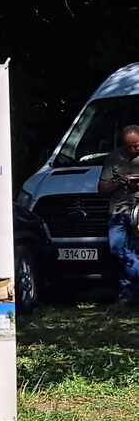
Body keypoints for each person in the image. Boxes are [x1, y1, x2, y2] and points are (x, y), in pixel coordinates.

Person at [98, 125, 139, 301]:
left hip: (138, 210)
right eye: (129, 146)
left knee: (135, 251)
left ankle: (127, 295)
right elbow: (101, 188)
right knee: (117, 249)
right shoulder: (113, 158)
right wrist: (120, 182)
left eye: (137, 145)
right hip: (118, 210)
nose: (134, 149)